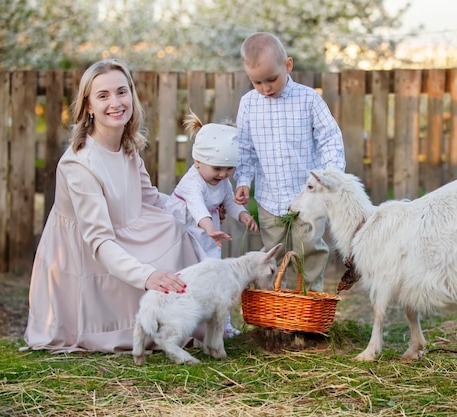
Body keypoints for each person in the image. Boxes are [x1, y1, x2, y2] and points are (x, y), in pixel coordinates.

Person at [23, 59, 199, 353]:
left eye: (121, 92)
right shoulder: (79, 165)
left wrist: (199, 212)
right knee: (160, 254)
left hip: (122, 234)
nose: (115, 103)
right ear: (88, 106)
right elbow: (100, 241)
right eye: (103, 96)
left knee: (172, 226)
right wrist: (147, 276)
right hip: (88, 255)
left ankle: (184, 317)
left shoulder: (126, 147)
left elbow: (151, 199)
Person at [233, 32, 346, 292]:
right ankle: (276, 311)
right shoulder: (249, 104)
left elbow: (330, 137)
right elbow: (244, 148)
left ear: (288, 65)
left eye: (271, 79)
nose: (265, 88)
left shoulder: (308, 99)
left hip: (307, 198)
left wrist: (331, 177)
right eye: (256, 82)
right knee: (272, 255)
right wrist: (242, 180)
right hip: (270, 199)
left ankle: (309, 304)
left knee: (310, 251)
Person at [164, 111, 258, 337]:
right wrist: (209, 228)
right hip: (186, 231)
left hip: (208, 234)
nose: (224, 175)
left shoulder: (222, 181)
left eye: (229, 170)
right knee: (189, 276)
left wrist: (243, 215)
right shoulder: (191, 181)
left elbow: (230, 201)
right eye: (217, 169)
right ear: (198, 161)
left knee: (216, 275)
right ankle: (180, 322)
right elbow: (196, 207)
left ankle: (221, 325)